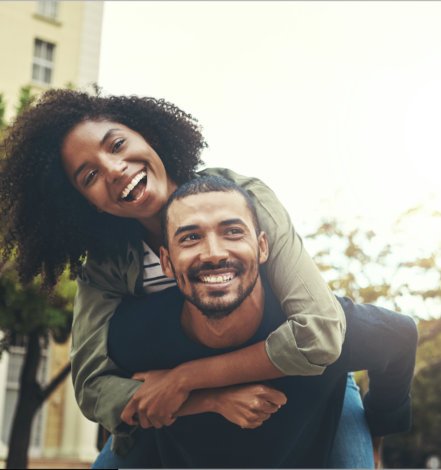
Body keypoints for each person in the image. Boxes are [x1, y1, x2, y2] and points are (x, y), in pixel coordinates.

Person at [0, 88, 372, 467]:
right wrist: (204, 398)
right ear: (86, 203)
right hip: (177, 416)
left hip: (306, 384)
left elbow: (320, 332)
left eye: (116, 145)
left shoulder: (245, 198)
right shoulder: (104, 266)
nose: (113, 169)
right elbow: (93, 388)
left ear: (149, 135)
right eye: (90, 175)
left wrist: (184, 378)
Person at [106, 175, 417, 468]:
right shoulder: (134, 337)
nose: (214, 253)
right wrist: (208, 399)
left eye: (232, 232)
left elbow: (401, 337)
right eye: (190, 238)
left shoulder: (324, 329)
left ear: (263, 246)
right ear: (166, 262)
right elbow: (107, 398)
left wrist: (374, 436)